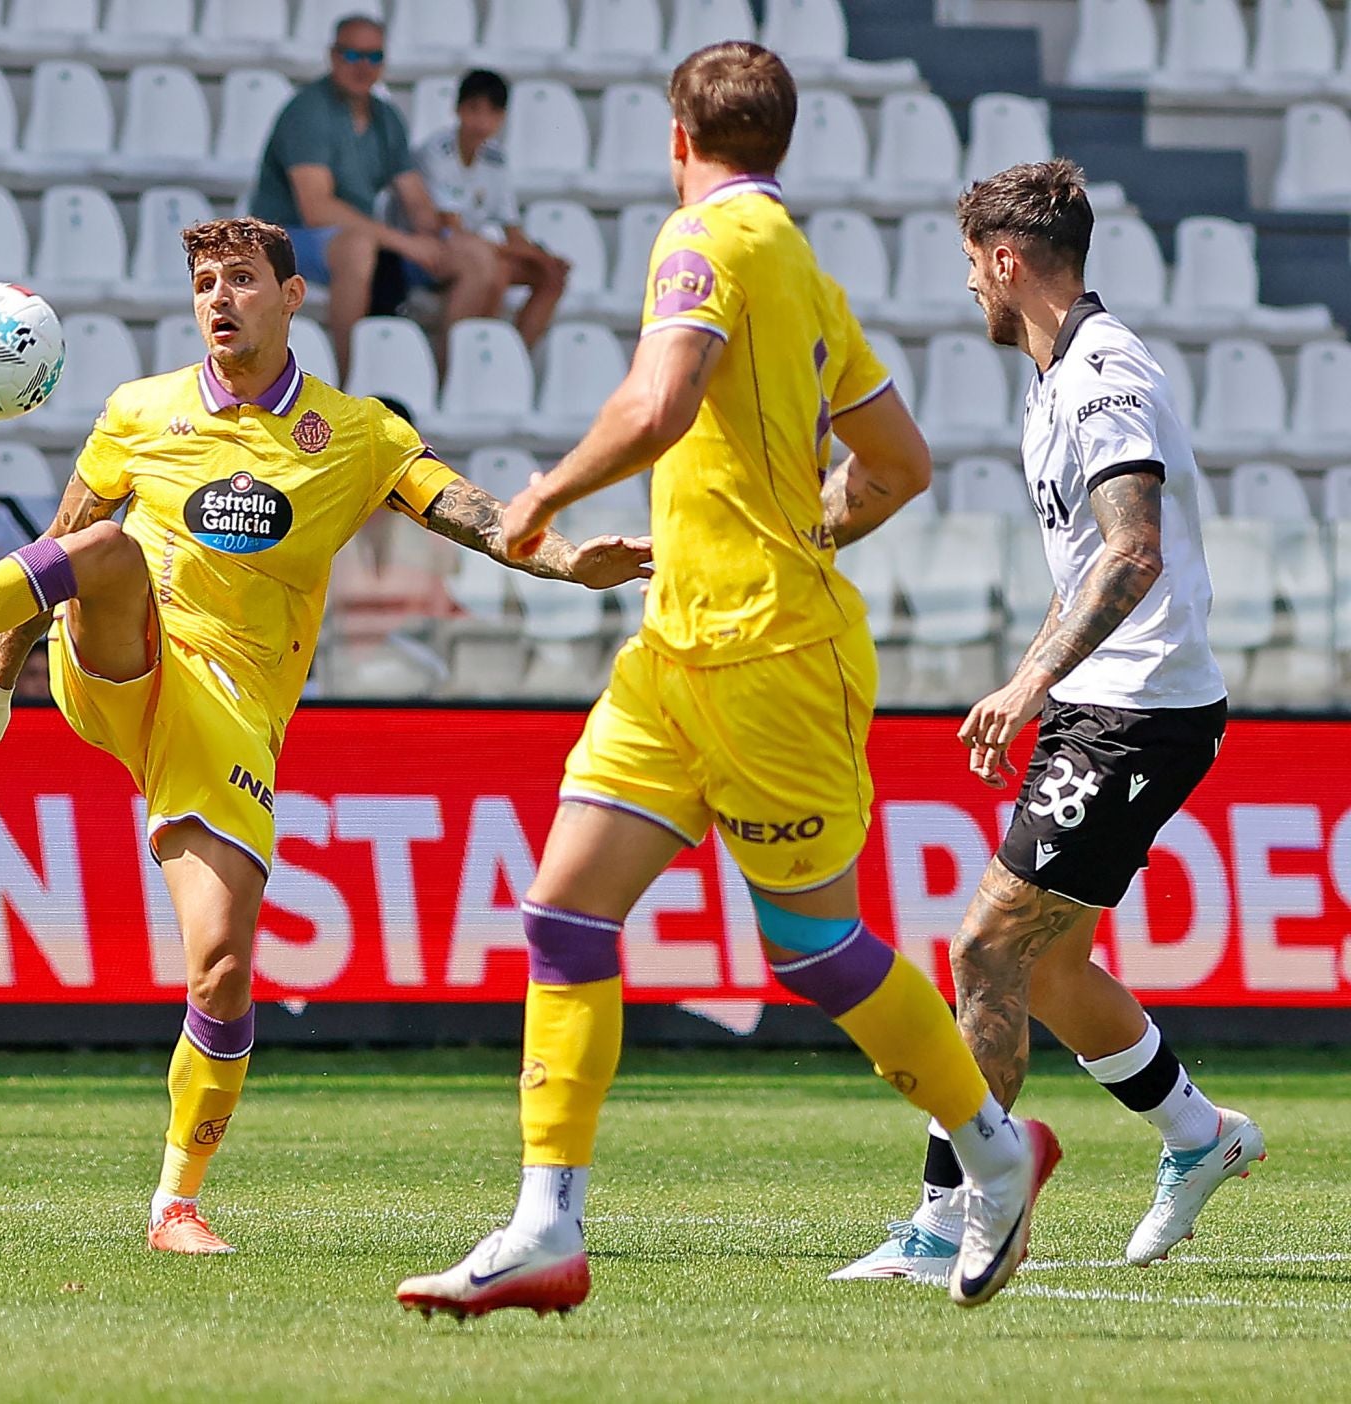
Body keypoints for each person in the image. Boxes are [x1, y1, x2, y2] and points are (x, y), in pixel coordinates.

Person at [0, 217, 652, 1255]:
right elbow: (57, 549)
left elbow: (477, 514)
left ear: (291, 296)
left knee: (224, 968)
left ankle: (174, 1203)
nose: (218, 298)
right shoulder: (139, 413)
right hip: (124, 657)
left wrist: (563, 562)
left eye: (240, 278)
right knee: (107, 549)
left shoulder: (356, 432)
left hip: (229, 712)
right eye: (202, 283)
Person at [393, 42, 1061, 1321]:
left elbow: (660, 398)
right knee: (567, 913)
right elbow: (900, 460)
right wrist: (800, 522)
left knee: (812, 949)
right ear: (783, 139)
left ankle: (993, 1146)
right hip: (676, 649)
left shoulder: (701, 242)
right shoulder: (801, 266)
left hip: (768, 656)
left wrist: (538, 492)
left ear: (677, 136)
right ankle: (546, 1226)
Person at [832, 160, 1264, 1284]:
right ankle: (1198, 1136)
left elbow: (1132, 551)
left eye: (975, 265)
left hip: (1139, 712)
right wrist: (1036, 682)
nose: (971, 287)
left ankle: (947, 1223)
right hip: (1106, 702)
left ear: (1008, 260)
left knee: (985, 951)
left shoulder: (1103, 377)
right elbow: (1087, 569)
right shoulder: (1058, 374)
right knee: (1055, 969)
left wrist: (1029, 693)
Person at [249, 13, 503, 382]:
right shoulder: (307, 112)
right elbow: (316, 208)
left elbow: (414, 198)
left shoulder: (385, 116)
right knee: (358, 247)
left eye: (373, 57)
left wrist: (443, 237)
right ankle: (349, 382)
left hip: (357, 235)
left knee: (476, 256)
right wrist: (407, 243)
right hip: (287, 237)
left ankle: (449, 382)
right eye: (353, 56)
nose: (363, 66)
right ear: (334, 56)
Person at [411, 69, 570, 350]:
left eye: (492, 113)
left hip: (479, 248)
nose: (482, 122)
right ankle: (453, 363)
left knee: (552, 276)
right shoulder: (436, 153)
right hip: (433, 249)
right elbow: (451, 229)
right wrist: (533, 254)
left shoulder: (495, 159)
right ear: (458, 110)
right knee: (489, 266)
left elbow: (511, 227)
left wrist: (541, 257)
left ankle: (513, 357)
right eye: (474, 110)